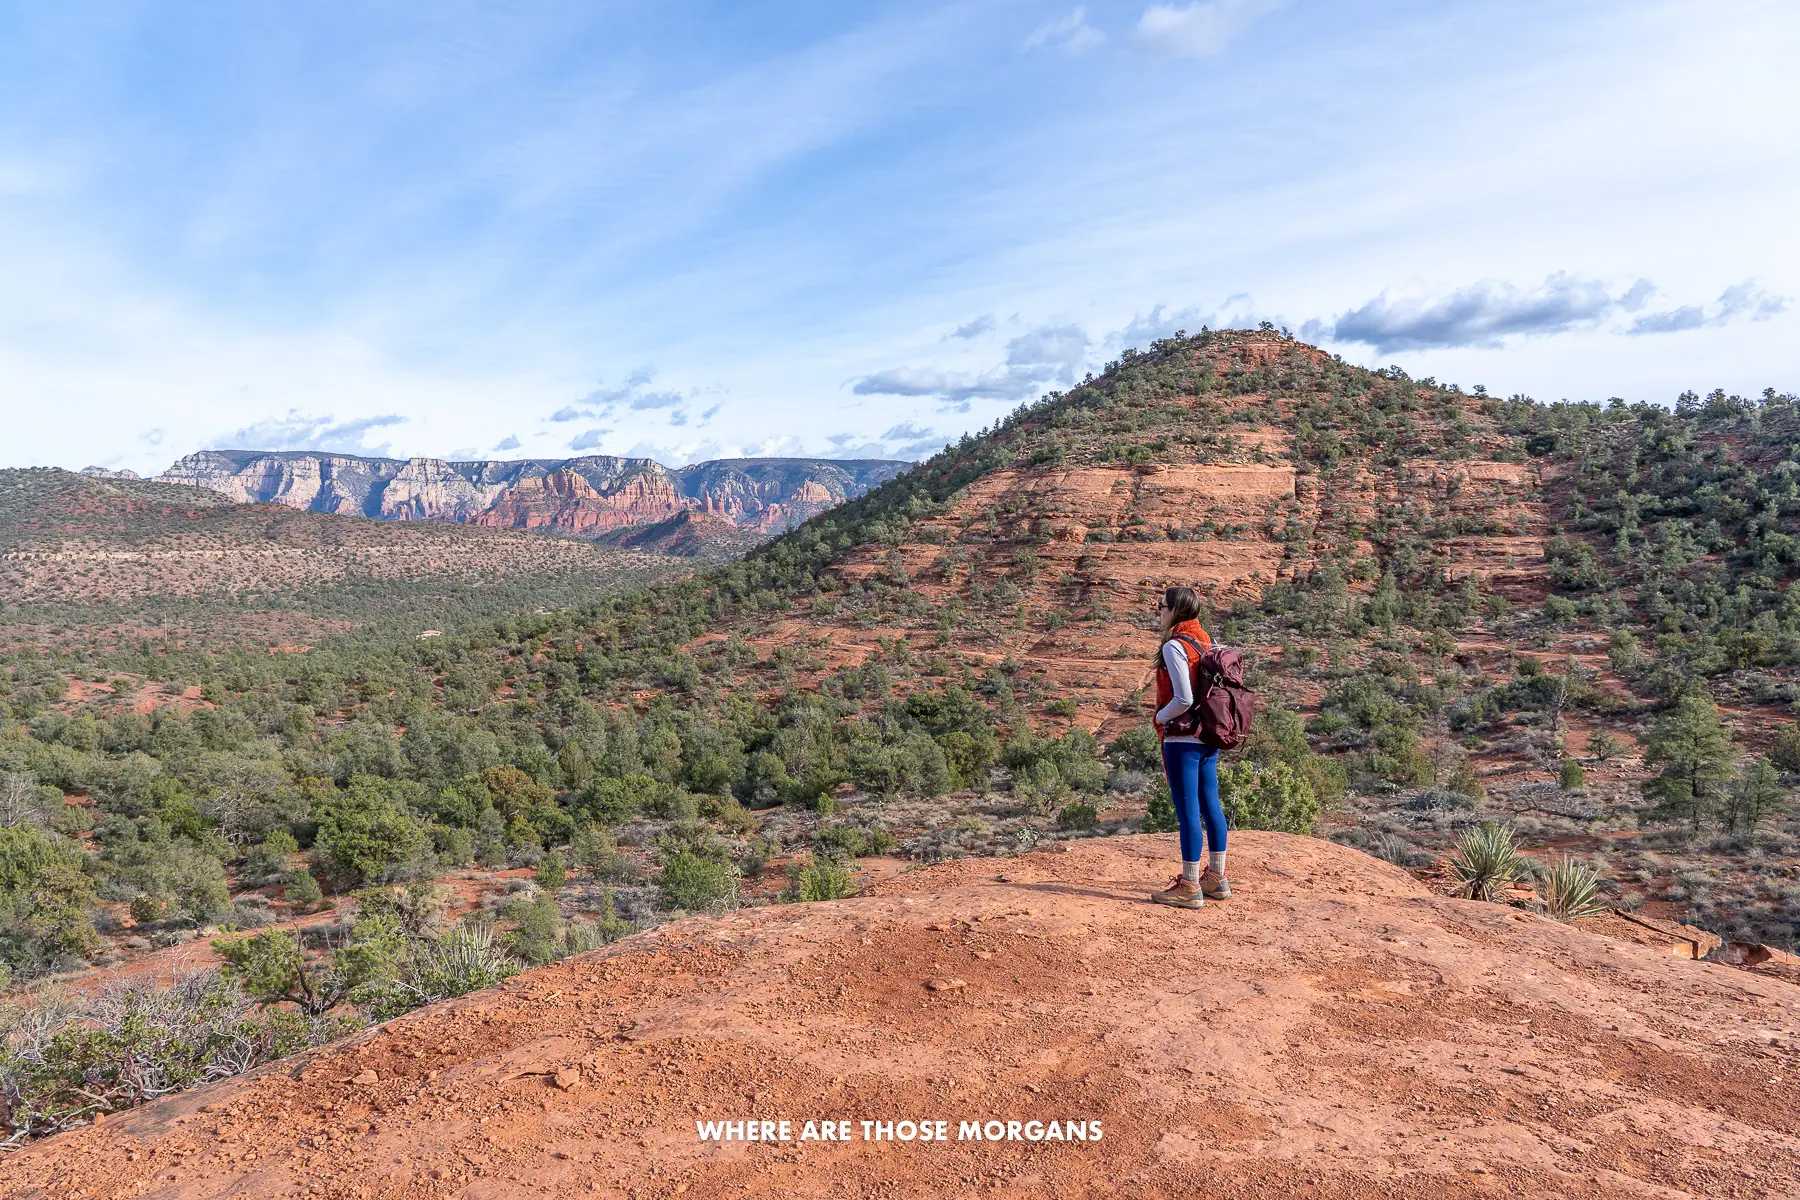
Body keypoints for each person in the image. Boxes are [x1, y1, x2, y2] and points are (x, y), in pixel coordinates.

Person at [1148, 585, 1229, 909]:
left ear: (1176, 610)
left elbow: (1184, 698)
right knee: (1211, 804)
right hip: (1208, 735)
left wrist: (1160, 716)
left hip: (1183, 738)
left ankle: (1189, 885)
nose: (1160, 611)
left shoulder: (1175, 646)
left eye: (1162, 605)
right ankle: (1217, 878)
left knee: (1187, 812)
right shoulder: (1204, 639)